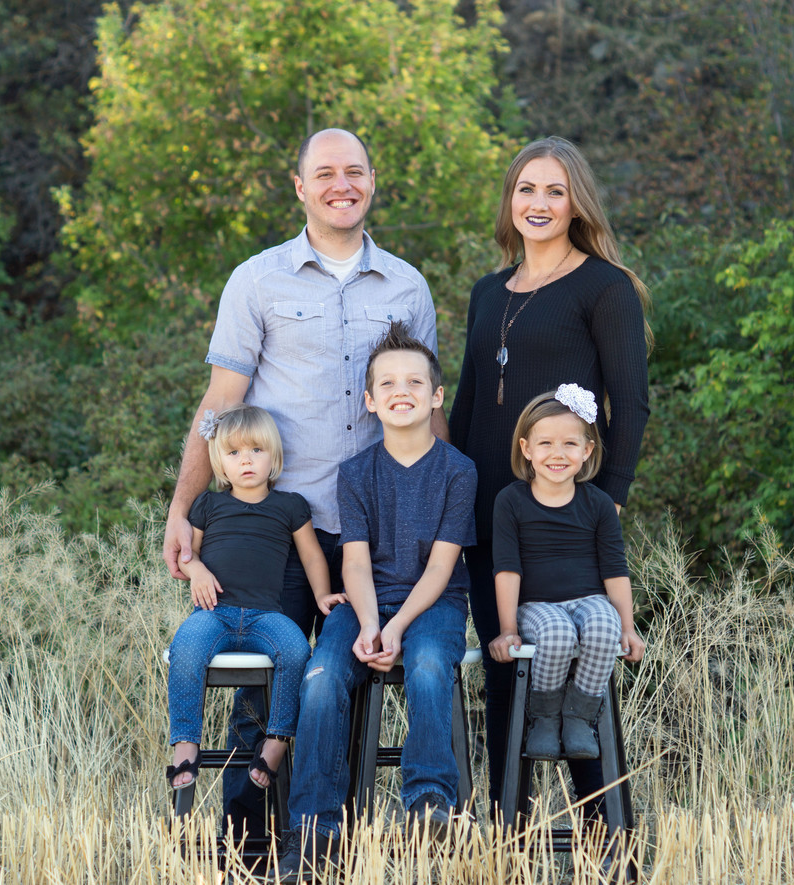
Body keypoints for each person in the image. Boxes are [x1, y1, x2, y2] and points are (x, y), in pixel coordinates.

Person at [161, 128, 446, 836]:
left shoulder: (408, 285)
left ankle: (329, 844)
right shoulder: (257, 279)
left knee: (339, 685)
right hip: (274, 526)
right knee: (263, 687)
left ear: (373, 181)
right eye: (325, 173)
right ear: (300, 186)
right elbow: (219, 406)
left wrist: (446, 515)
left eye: (354, 172)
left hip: (375, 531)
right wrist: (182, 509)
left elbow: (426, 406)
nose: (340, 184)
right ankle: (245, 844)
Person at [448, 135, 652, 819]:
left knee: (577, 676)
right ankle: (510, 831)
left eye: (554, 191)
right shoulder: (487, 292)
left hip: (565, 522)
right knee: (505, 674)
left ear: (576, 205)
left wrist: (611, 498)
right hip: (487, 520)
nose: (538, 203)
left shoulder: (604, 287)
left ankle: (606, 837)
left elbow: (631, 398)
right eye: (526, 189)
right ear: (511, 200)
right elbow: (466, 407)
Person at [275, 322, 477, 881]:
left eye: (415, 381)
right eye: (386, 383)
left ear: (436, 396)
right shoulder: (356, 472)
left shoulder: (459, 471)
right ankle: (316, 829)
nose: (400, 390)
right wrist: (368, 624)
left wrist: (398, 628)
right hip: (363, 601)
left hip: (432, 605)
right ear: (369, 401)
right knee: (320, 675)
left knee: (433, 665)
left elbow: (442, 566)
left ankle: (428, 805)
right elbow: (355, 561)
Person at [165, 404, 344, 801]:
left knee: (298, 650)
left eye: (256, 451)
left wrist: (320, 595)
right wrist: (195, 572)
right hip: (214, 613)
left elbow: (313, 555)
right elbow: (186, 554)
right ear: (220, 463)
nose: (246, 460)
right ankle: (185, 744)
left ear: (274, 457)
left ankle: (276, 743)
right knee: (186, 647)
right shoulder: (208, 506)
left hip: (267, 615)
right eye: (234, 453)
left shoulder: (290, 506)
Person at [488, 386, 645, 762]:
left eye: (570, 444)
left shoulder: (599, 504)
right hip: (537, 607)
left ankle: (579, 716)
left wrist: (628, 626)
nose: (557, 454)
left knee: (604, 626)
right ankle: (543, 717)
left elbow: (615, 570)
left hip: (588, 600)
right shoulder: (511, 501)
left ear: (587, 450)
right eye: (545, 444)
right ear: (526, 448)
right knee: (557, 634)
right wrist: (508, 628)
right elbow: (506, 570)